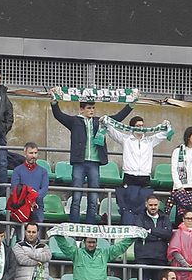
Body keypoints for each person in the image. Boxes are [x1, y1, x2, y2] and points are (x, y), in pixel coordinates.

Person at [52, 88, 135, 223]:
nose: (92, 110)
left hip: (94, 162)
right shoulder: (74, 121)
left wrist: (130, 105)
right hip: (79, 162)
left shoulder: (100, 121)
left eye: (93, 108)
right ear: (81, 109)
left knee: (93, 196)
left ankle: (90, 224)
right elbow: (59, 115)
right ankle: (75, 224)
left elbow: (117, 118)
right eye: (89, 108)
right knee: (76, 195)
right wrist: (54, 102)